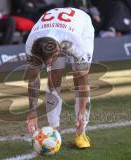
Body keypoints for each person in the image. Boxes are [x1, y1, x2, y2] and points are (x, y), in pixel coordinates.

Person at [25, 7, 94, 149]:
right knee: (54, 76)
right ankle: (54, 130)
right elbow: (33, 79)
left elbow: (83, 81)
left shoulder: (75, 43)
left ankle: (81, 132)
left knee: (78, 75)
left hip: (80, 26)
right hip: (54, 26)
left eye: (49, 61)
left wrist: (82, 111)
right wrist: (32, 112)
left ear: (57, 50)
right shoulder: (31, 44)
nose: (47, 65)